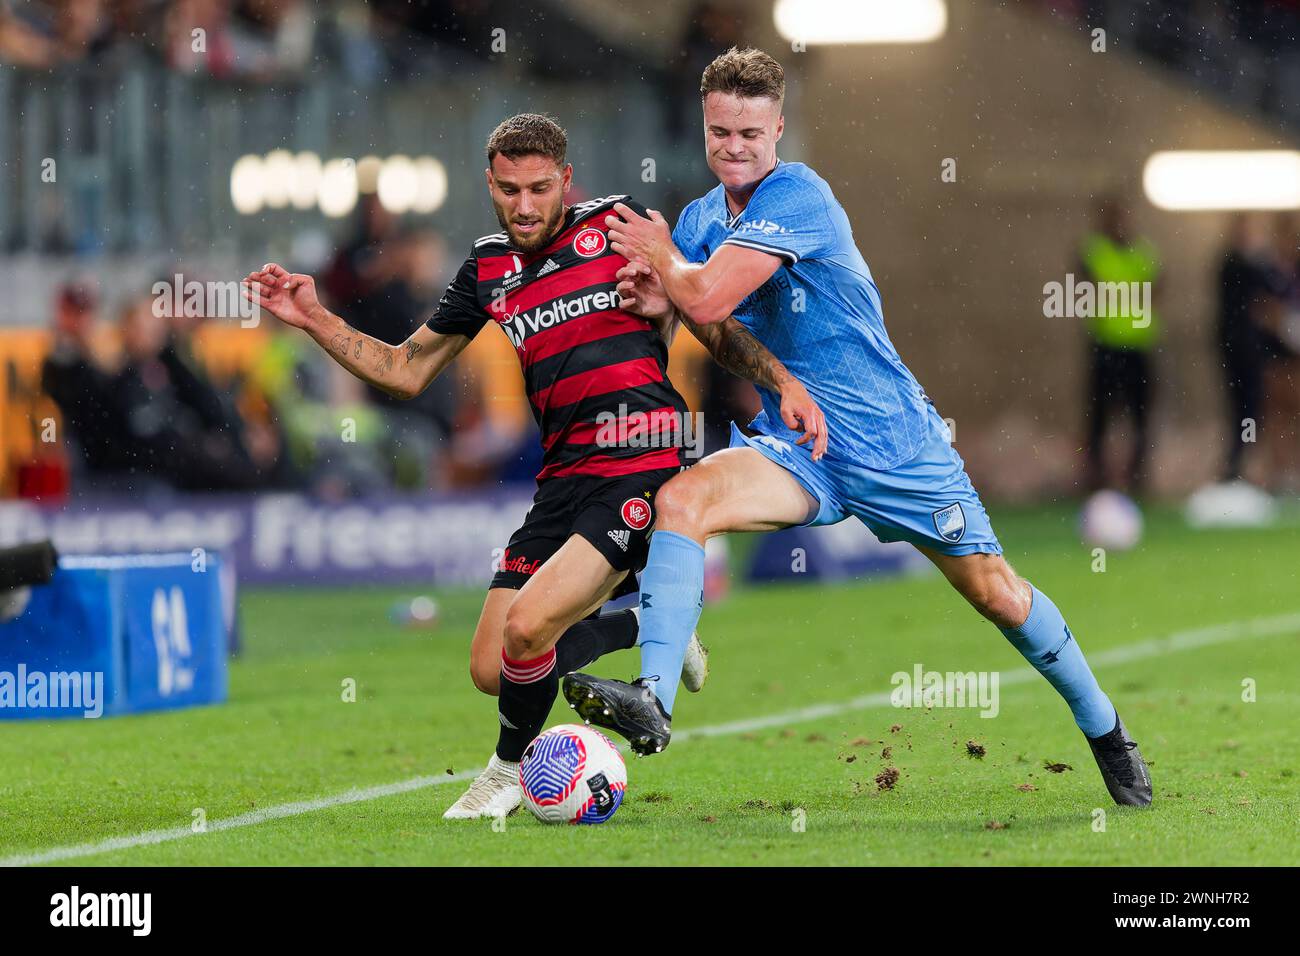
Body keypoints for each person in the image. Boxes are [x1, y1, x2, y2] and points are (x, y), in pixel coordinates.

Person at [564, 48, 1152, 808]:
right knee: (683, 501)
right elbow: (713, 326)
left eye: (750, 131)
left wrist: (672, 272)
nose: (734, 147)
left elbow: (707, 294)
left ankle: (1105, 728)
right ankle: (652, 697)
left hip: (893, 447)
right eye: (720, 132)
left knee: (997, 595)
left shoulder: (800, 195)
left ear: (779, 127)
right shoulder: (704, 219)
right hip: (800, 449)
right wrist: (675, 310)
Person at [246, 112, 826, 819]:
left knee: (528, 632)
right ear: (490, 184)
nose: (524, 205)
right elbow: (404, 371)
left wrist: (781, 383)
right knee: (494, 666)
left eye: (539, 188)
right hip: (561, 480)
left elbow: (706, 318)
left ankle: (507, 770)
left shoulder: (621, 227)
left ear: (566, 181)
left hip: (640, 466)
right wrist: (314, 319)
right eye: (510, 189)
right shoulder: (487, 268)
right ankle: (648, 623)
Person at [1079, 197, 1162, 493]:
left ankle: (1138, 477)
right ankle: (1096, 478)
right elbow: (1088, 290)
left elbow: (1156, 290)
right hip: (1106, 345)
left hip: (1138, 346)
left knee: (1140, 416)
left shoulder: (1143, 253)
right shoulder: (1094, 251)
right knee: (1099, 417)